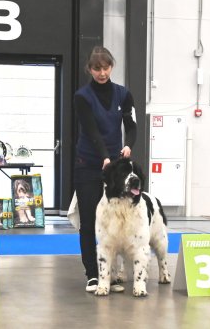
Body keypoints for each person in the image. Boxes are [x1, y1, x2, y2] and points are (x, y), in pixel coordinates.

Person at [73, 46, 136, 293]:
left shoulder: (123, 94)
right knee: (89, 221)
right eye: (97, 68)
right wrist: (104, 157)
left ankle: (110, 274)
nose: (102, 73)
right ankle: (92, 274)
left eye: (106, 67)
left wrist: (128, 145)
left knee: (115, 221)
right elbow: (91, 130)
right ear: (90, 69)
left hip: (115, 168)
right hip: (88, 164)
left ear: (112, 67)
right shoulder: (82, 96)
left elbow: (131, 124)